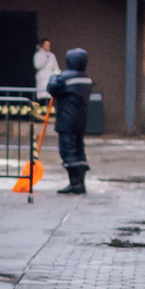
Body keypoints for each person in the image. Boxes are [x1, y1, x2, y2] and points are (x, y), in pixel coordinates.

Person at [47, 46, 93, 195]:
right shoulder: (85, 78)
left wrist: (54, 77)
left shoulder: (66, 77)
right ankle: (80, 182)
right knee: (79, 150)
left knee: (68, 150)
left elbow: (52, 88)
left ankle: (75, 183)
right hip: (80, 120)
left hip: (67, 120)